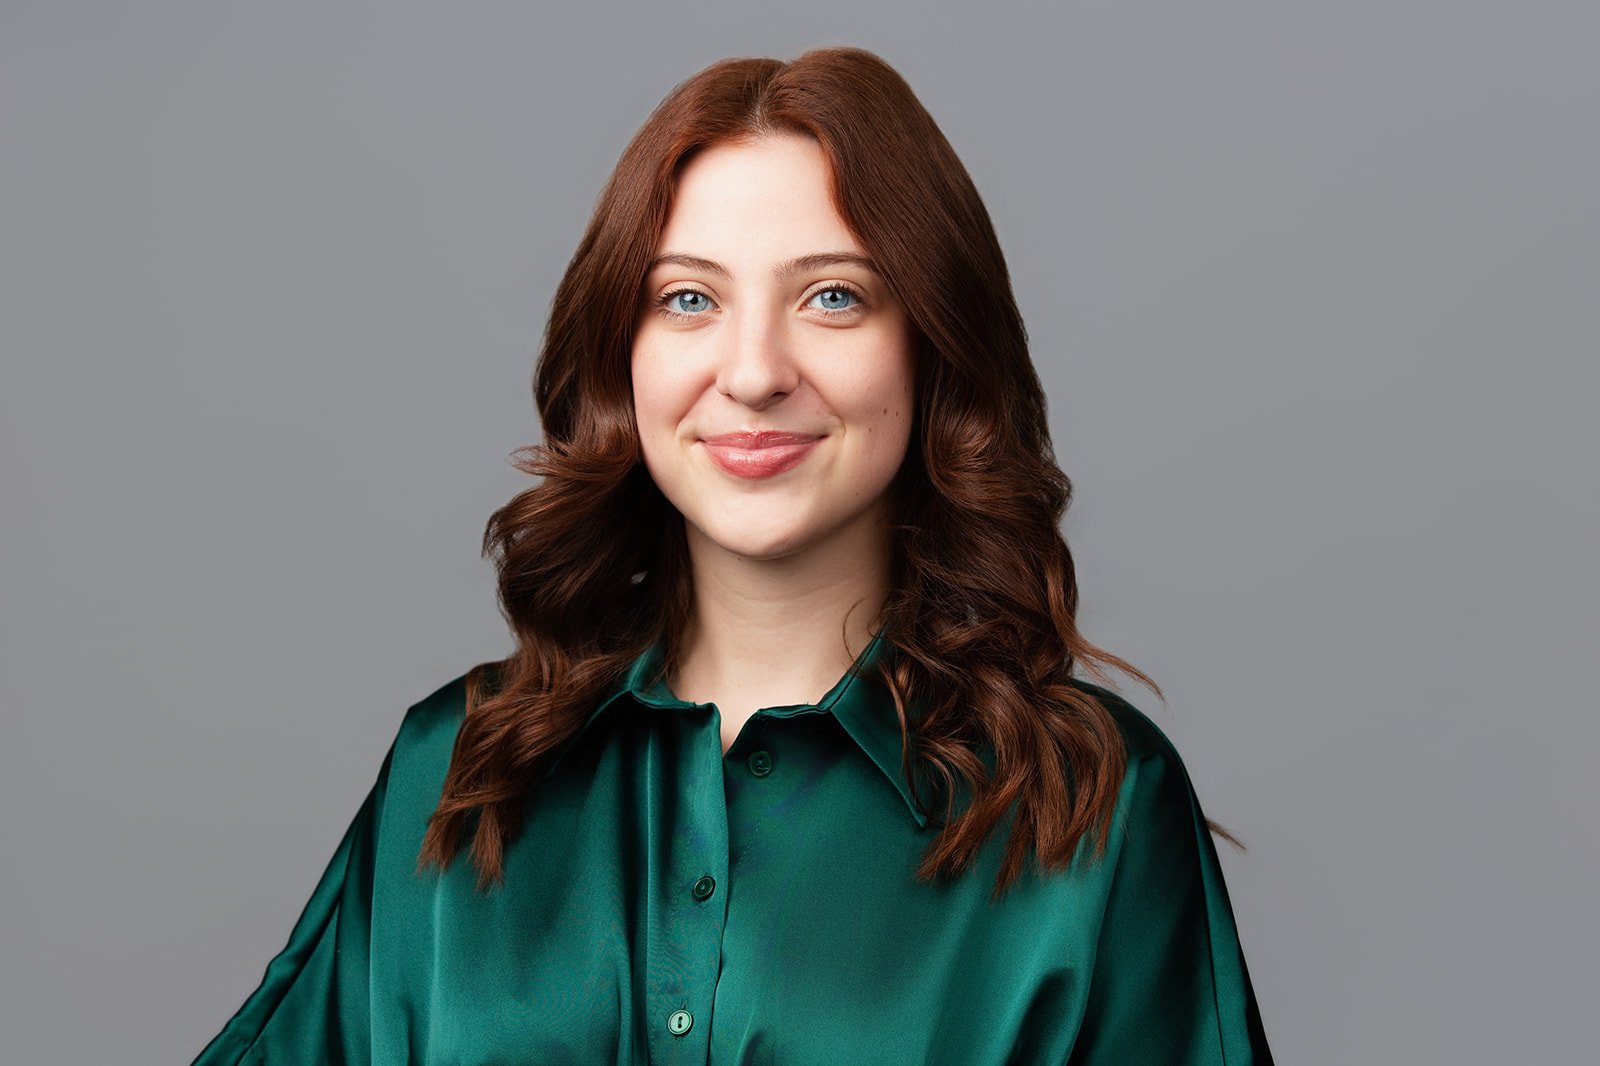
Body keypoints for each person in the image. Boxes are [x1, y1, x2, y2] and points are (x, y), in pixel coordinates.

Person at [191, 46, 1274, 1065]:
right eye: (688, 299)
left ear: (933, 346)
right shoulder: (454, 772)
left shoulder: (1094, 806)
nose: (753, 371)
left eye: (833, 296)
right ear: (624, 357)